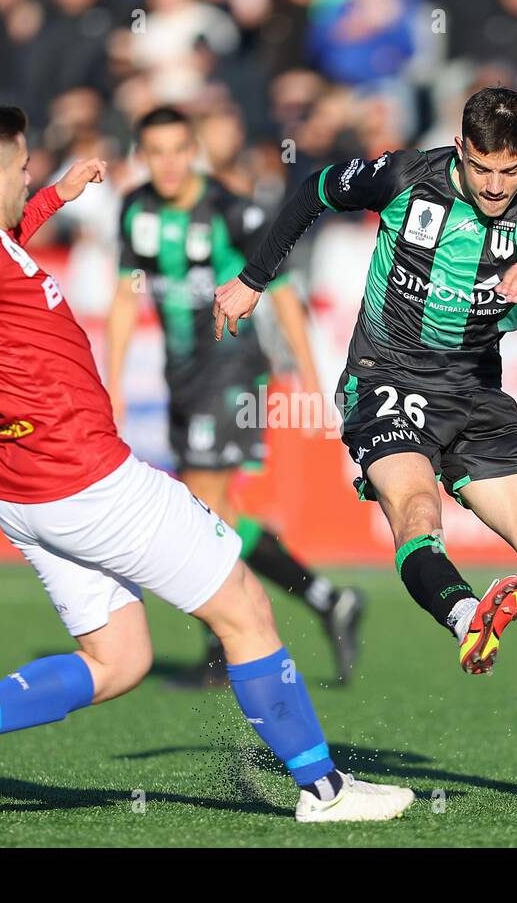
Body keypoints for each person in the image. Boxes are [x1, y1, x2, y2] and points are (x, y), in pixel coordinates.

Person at [0, 104, 413, 826]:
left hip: (25, 494)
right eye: (26, 165)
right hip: (90, 481)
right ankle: (325, 791)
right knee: (247, 611)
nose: (33, 171)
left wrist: (52, 198)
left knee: (118, 661)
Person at [213, 87, 517, 808]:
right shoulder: (405, 177)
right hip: (386, 379)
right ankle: (469, 619)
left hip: (475, 394)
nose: (497, 187)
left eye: (511, 170)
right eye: (483, 171)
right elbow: (312, 190)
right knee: (415, 509)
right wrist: (253, 280)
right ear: (460, 151)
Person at [107, 106, 365, 688]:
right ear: (141, 156)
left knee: (203, 505)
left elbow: (282, 291)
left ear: (194, 148)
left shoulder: (232, 209)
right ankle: (327, 600)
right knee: (214, 513)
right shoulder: (136, 210)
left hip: (233, 367)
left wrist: (314, 381)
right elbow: (126, 298)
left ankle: (231, 643)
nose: (169, 163)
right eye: (156, 152)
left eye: (179, 149)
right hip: (183, 375)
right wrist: (113, 384)